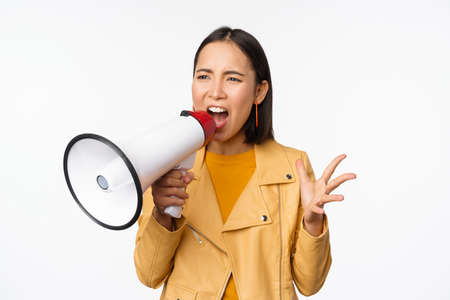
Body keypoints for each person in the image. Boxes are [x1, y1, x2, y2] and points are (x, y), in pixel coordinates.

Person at [134, 26, 357, 300]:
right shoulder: (166, 162)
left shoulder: (293, 166)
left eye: (232, 79)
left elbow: (310, 284)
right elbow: (149, 275)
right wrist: (163, 214)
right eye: (204, 76)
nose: (215, 92)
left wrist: (312, 222)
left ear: (259, 92)